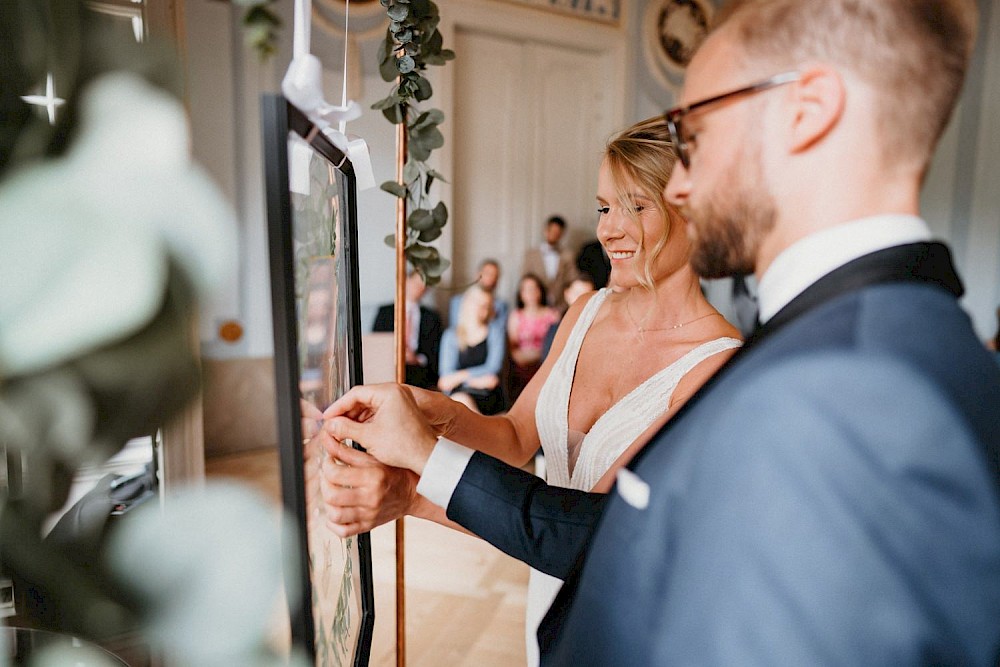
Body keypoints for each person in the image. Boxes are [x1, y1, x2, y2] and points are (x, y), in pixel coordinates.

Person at [324, 0, 1000, 664]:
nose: (682, 184)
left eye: (697, 135)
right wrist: (432, 426)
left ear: (808, 111)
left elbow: (620, 549)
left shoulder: (848, 383)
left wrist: (421, 475)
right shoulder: (854, 341)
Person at [323, 116, 742, 664]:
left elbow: (583, 533)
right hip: (547, 606)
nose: (609, 229)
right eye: (604, 207)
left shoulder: (717, 366)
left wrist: (416, 484)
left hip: (626, 630)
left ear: (693, 209)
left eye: (636, 206)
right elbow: (517, 435)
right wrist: (438, 414)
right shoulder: (584, 312)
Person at [437, 284, 506, 415]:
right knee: (460, 400)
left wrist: (459, 377)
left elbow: (493, 368)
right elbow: (445, 378)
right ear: (467, 302)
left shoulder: (495, 332)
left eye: (486, 305)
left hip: (487, 395)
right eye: (478, 303)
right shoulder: (451, 336)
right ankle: (484, 431)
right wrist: (475, 380)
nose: (481, 309)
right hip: (461, 393)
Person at [372, 269, 443, 390]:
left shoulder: (432, 317)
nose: (419, 288)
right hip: (389, 368)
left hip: (419, 372)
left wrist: (416, 358)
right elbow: (376, 345)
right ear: (406, 281)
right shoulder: (385, 312)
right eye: (416, 283)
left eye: (424, 285)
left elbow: (436, 353)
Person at [506, 273, 560, 403]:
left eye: (534, 288)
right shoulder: (516, 316)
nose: (531, 293)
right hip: (521, 369)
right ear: (521, 294)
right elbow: (513, 349)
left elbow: (557, 345)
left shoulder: (552, 315)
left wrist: (539, 356)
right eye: (526, 289)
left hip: (547, 367)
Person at [522, 215, 576, 309]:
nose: (554, 235)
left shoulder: (568, 256)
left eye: (557, 233)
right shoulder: (531, 255)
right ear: (545, 230)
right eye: (552, 231)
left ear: (562, 234)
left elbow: (571, 279)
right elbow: (525, 279)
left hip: (560, 305)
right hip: (535, 306)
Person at [541, 273, 597, 361]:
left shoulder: (597, 326)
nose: (581, 299)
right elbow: (546, 360)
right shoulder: (556, 327)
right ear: (567, 294)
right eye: (577, 294)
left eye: (587, 295)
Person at [448, 257, 509, 329]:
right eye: (487, 273)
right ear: (478, 275)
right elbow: (456, 329)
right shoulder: (457, 301)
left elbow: (499, 335)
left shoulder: (501, 306)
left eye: (495, 276)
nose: (491, 278)